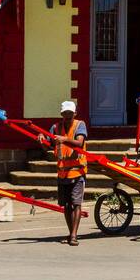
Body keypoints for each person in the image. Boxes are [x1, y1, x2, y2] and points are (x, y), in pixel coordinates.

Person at [51, 100, 88, 246]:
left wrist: (64, 139)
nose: (67, 116)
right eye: (65, 113)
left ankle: (73, 235)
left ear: (75, 114)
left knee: (76, 203)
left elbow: (79, 143)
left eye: (70, 113)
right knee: (66, 205)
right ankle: (70, 231)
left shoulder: (80, 125)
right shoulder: (55, 127)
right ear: (61, 114)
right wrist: (42, 139)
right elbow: (48, 143)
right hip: (62, 173)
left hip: (77, 171)